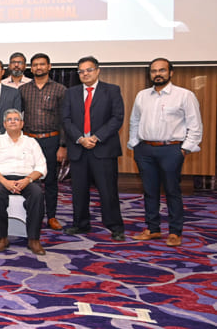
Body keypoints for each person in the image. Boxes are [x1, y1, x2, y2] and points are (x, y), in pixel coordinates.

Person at [128, 58, 202, 247]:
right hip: (145, 149)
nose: (157, 74)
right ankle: (153, 228)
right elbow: (135, 121)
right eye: (154, 71)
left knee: (172, 191)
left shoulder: (184, 95)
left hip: (171, 149)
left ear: (171, 72)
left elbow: (195, 125)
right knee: (149, 191)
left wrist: (184, 149)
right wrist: (135, 143)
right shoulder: (142, 95)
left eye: (162, 70)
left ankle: (175, 232)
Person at [62, 56, 126, 241]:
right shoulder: (71, 93)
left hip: (103, 148)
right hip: (79, 149)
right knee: (79, 191)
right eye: (81, 71)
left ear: (97, 70)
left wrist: (96, 137)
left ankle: (115, 226)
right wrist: (80, 139)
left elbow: (117, 118)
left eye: (89, 70)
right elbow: (66, 119)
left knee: (108, 191)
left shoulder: (112, 90)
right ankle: (80, 223)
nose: (85, 74)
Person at [0, 109, 47, 255]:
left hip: (27, 179)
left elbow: (41, 168)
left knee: (37, 193)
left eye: (16, 119)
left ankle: (33, 239)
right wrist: (5, 182)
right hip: (1, 179)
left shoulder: (31, 142)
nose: (13, 121)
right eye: (9, 119)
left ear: (22, 123)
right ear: (4, 124)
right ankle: (1, 238)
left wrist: (27, 180)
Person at [20, 53, 67, 231]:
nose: (38, 67)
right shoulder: (23, 90)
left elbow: (65, 119)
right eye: (35, 65)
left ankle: (52, 216)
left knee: (51, 180)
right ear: (31, 68)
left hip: (51, 140)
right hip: (28, 141)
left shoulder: (60, 90)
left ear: (49, 67)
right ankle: (32, 214)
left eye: (42, 64)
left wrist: (62, 145)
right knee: (29, 179)